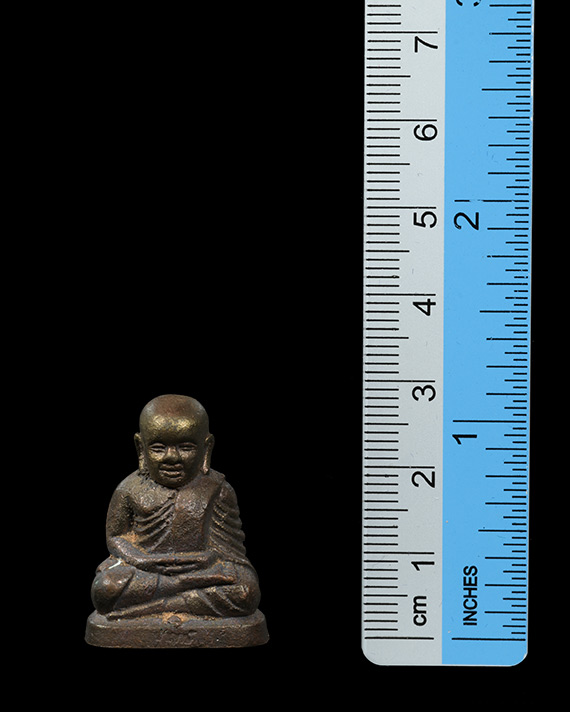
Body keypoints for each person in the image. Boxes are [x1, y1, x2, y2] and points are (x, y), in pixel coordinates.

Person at [90, 394, 261, 620]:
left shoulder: (218, 489)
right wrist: (142, 560)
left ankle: (154, 606)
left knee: (246, 591)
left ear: (206, 448)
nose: (172, 457)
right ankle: (182, 589)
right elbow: (115, 537)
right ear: (141, 448)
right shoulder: (129, 489)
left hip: (202, 569)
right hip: (148, 570)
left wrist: (210, 558)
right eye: (158, 448)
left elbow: (231, 552)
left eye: (186, 447)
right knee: (105, 588)